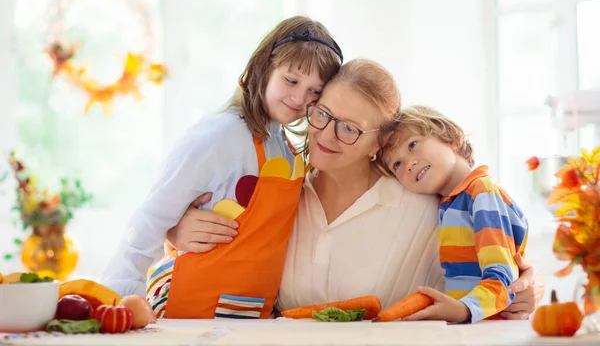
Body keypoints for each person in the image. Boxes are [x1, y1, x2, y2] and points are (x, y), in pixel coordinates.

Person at [167, 62, 544, 321]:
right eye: (323, 114)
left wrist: (528, 285)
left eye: (350, 129)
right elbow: (210, 259)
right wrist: (176, 230)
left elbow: (497, 256)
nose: (327, 135)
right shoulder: (278, 188)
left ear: (380, 142)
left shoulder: (423, 205)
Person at [101, 16, 343, 319]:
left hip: (249, 315)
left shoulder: (286, 147)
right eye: (291, 81)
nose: (299, 98)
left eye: (314, 92)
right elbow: (152, 217)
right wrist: (120, 305)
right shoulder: (221, 134)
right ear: (264, 68)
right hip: (188, 311)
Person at [381, 105, 528, 323]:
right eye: (397, 165)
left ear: (451, 137)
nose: (409, 164)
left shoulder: (482, 193)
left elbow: (502, 274)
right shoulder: (449, 204)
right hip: (471, 324)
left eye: (412, 145)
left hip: (489, 325)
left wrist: (465, 309)